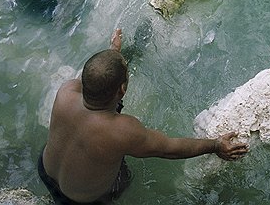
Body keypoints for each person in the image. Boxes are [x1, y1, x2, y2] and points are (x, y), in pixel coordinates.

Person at [38, 28, 248, 204]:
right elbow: (169, 149)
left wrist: (113, 53)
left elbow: (95, 81)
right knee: (124, 177)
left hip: (46, 171)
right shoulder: (122, 130)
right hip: (80, 200)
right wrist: (215, 146)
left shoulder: (66, 91)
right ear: (122, 89)